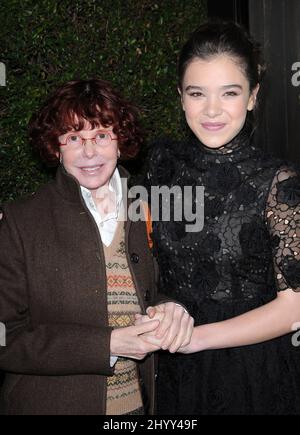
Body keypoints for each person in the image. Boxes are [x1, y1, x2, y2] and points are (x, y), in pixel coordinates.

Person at [0, 79, 194, 415]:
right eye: (74, 137)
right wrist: (107, 344)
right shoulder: (20, 221)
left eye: (101, 136)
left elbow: (160, 288)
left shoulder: (148, 206)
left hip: (139, 408)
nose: (89, 153)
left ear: (120, 142)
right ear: (55, 146)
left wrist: (171, 308)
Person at [137, 21, 300, 414]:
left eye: (229, 93)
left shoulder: (280, 183)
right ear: (181, 97)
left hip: (250, 371)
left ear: (252, 97)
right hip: (167, 367)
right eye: (197, 93)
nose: (212, 110)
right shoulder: (159, 163)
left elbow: (294, 307)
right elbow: (136, 254)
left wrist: (197, 338)